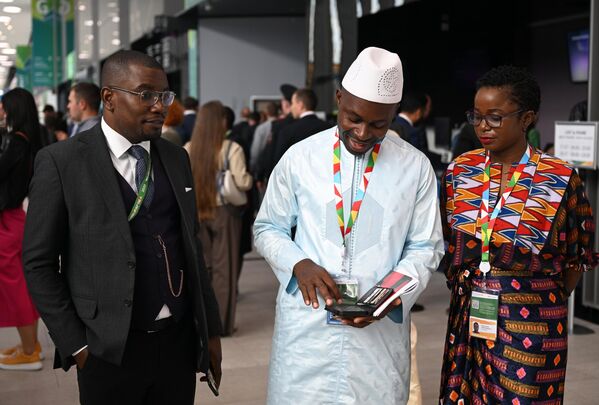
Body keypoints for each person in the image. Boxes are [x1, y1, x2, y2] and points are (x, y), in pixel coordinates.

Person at [22, 50, 222, 404]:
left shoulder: (176, 158)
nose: (159, 105)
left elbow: (190, 247)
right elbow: (38, 264)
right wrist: (77, 345)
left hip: (176, 344)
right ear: (109, 98)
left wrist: (210, 333)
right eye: (146, 94)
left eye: (164, 95)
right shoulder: (61, 163)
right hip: (107, 350)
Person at [254, 46, 444, 404]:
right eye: (353, 117)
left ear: (394, 114)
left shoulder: (414, 168)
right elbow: (268, 227)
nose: (362, 132)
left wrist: (388, 296)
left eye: (378, 124)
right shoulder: (301, 157)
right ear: (339, 98)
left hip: (377, 335)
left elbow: (425, 246)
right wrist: (299, 263)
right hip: (307, 328)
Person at [439, 65, 597, 404]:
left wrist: (531, 293)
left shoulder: (558, 177)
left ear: (526, 118)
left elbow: (578, 254)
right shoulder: (459, 172)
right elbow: (449, 240)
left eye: (494, 117)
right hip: (470, 320)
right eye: (476, 116)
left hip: (533, 325)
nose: (482, 126)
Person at [185, 101, 252, 337]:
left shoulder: (189, 147)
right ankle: (221, 325)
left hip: (197, 211)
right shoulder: (232, 148)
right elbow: (242, 182)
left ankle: (201, 323)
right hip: (224, 213)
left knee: (204, 268)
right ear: (221, 122)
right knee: (225, 270)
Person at [0, 88, 46, 371]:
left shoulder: (15, 142)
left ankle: (29, 350)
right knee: (19, 284)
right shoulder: (27, 140)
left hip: (7, 220)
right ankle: (31, 345)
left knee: (14, 286)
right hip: (15, 217)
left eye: (3, 106)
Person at [272, 87, 331, 163]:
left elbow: (279, 163)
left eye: (292, 103)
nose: (291, 107)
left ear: (300, 105)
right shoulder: (329, 128)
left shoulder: (288, 131)